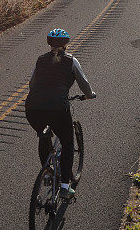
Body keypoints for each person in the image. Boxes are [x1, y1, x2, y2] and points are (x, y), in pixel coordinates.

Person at [25, 28, 96, 200]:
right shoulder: (71, 61)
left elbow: (31, 84)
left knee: (44, 136)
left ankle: (48, 174)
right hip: (58, 108)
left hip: (33, 108)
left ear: (49, 43)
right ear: (66, 43)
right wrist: (89, 94)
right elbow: (83, 83)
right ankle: (65, 186)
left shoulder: (40, 60)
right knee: (67, 143)